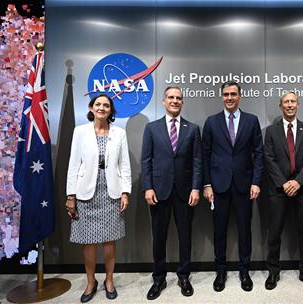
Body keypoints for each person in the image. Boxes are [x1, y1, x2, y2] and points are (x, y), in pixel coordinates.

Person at [66, 93, 131, 303]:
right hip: (86, 193)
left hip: (111, 192)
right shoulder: (80, 132)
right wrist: (71, 196)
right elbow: (73, 165)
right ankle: (91, 281)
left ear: (111, 110)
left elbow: (124, 165)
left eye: (106, 105)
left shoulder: (119, 133)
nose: (102, 108)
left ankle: (109, 280)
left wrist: (125, 192)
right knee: (89, 242)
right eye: (98, 104)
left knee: (110, 241)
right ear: (91, 108)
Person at [202, 81, 264, 292]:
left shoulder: (251, 120)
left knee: (245, 231)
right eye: (226, 94)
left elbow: (259, 154)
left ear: (240, 96)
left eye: (233, 94)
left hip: (244, 186)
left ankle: (244, 271)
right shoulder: (211, 122)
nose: (229, 97)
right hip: (218, 186)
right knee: (219, 231)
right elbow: (205, 155)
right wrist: (207, 184)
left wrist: (256, 182)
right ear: (222, 96)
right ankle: (220, 271)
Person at [141, 86, 202, 300]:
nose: (175, 101)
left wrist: (196, 187)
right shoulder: (152, 128)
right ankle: (159, 278)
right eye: (171, 98)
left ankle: (184, 276)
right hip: (158, 191)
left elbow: (197, 161)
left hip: (185, 192)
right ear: (164, 101)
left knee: (185, 236)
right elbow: (146, 160)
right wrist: (147, 187)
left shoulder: (193, 129)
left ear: (182, 103)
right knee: (159, 237)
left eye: (178, 98)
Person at [264, 91, 303, 292]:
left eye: (293, 102)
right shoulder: (271, 131)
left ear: (298, 105)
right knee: (274, 232)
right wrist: (284, 183)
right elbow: (268, 158)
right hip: (278, 190)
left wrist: (297, 182)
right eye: (286, 102)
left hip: (302, 189)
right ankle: (273, 271)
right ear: (281, 106)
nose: (289, 105)